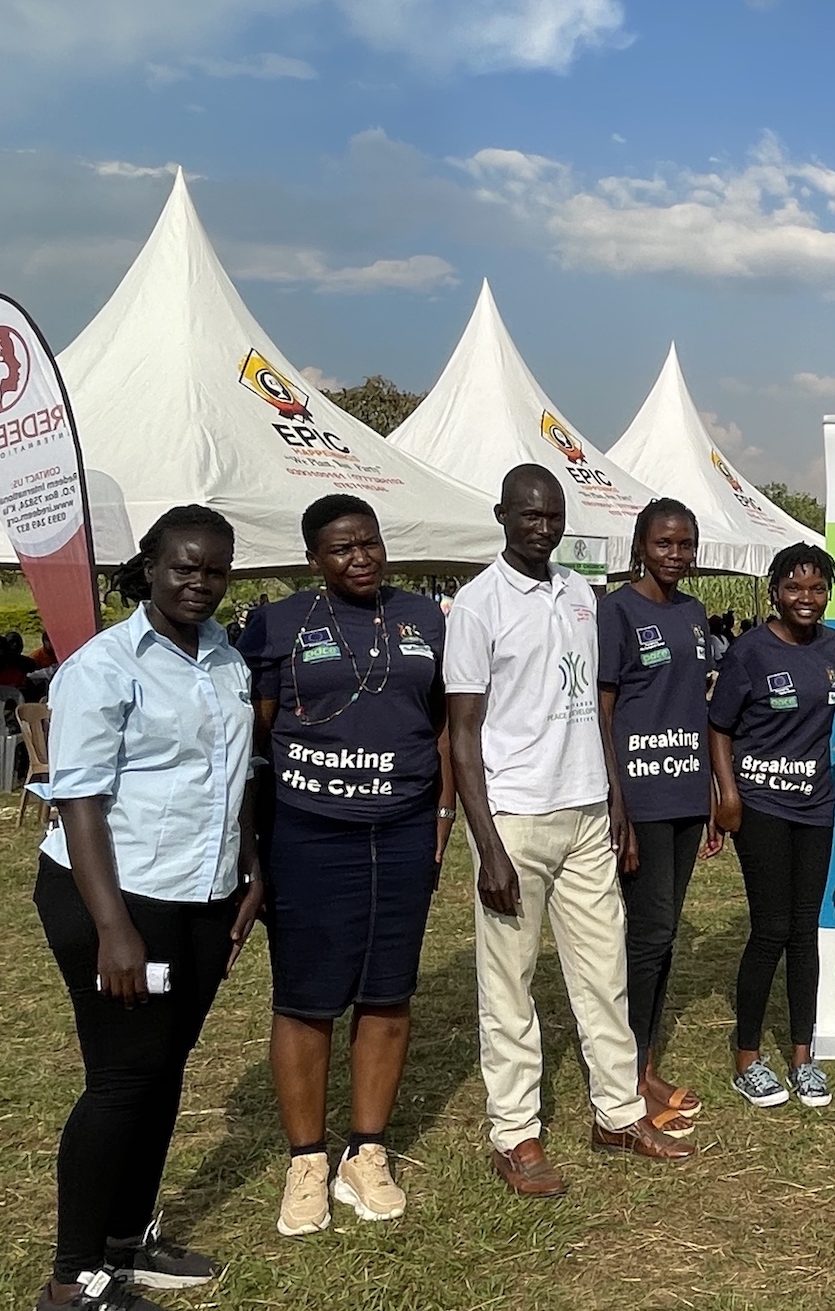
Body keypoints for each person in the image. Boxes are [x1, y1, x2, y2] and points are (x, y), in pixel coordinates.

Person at [33, 506, 265, 1311]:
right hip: (116, 898)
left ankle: (129, 1239)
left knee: (165, 1070)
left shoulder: (227, 660)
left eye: (215, 571)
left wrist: (251, 869)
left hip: (201, 895)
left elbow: (232, 778)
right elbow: (81, 803)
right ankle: (72, 1278)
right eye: (185, 567)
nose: (200, 583)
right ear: (152, 568)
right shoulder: (103, 667)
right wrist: (114, 931)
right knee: (123, 1077)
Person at [446, 465, 691, 1199]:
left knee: (603, 973)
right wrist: (487, 843)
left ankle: (617, 1114)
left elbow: (594, 711)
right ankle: (515, 1133)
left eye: (552, 515)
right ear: (502, 516)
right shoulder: (475, 605)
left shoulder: (580, 595)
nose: (542, 527)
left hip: (587, 812)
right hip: (515, 819)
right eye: (529, 515)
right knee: (509, 984)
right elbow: (461, 733)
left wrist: (613, 801)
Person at [238, 495, 454, 1234]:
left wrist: (443, 813)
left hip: (400, 830)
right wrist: (253, 845)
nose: (359, 557)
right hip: (309, 832)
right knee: (306, 996)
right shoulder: (277, 624)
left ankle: (367, 1152)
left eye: (369, 543)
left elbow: (444, 724)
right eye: (340, 548)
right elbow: (253, 741)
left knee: (388, 992)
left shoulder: (424, 619)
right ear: (314, 560)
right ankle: (306, 1161)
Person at [709, 542, 835, 1110]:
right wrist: (729, 797)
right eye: (794, 587)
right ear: (775, 592)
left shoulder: (833, 644)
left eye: (816, 588)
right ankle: (747, 1059)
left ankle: (802, 1057)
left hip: (814, 804)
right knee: (770, 929)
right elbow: (718, 726)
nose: (805, 599)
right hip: (761, 804)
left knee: (803, 931)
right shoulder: (750, 651)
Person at [598, 497, 714, 1136]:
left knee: (663, 936)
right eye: (665, 543)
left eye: (685, 544)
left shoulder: (694, 613)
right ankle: (627, 1075)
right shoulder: (617, 610)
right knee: (644, 938)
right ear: (641, 545)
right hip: (638, 799)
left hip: (684, 797)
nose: (676, 555)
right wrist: (618, 807)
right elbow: (604, 712)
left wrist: (709, 800)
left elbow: (695, 706)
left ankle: (642, 1065)